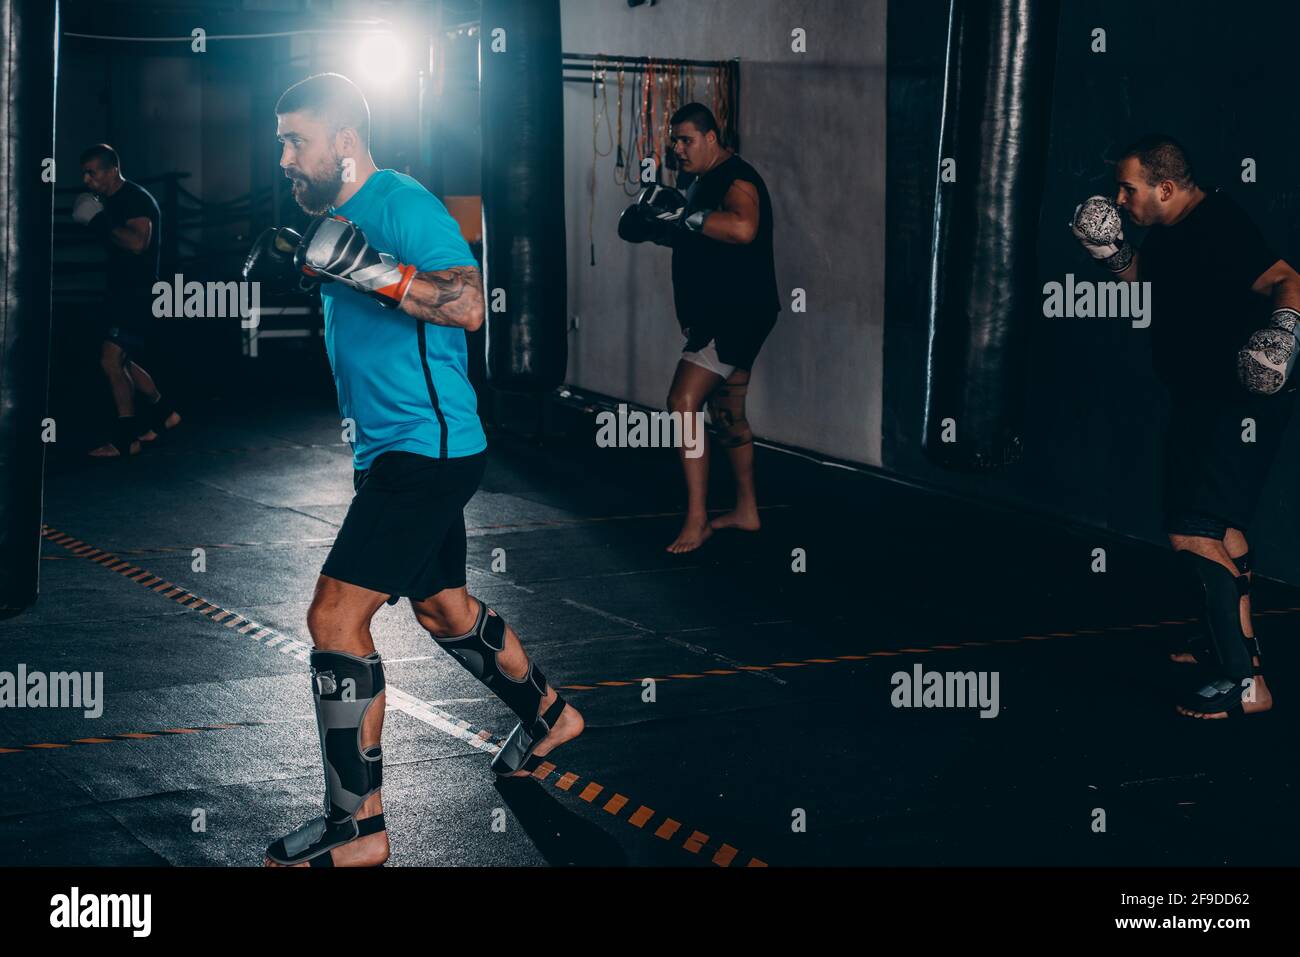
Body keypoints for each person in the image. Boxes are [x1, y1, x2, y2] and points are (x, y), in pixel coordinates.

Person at [249, 73, 583, 867]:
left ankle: (358, 827)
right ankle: (548, 714)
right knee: (443, 608)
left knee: (335, 619)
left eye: (297, 142)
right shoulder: (338, 217)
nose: (286, 159)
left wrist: (376, 272)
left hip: (424, 450)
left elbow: (469, 305)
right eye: (281, 144)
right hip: (397, 449)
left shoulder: (401, 203)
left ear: (345, 141)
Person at [1072, 134, 1300, 718]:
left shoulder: (1219, 224)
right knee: (1223, 532)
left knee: (1192, 531)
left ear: (1165, 188)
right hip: (1199, 397)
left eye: (1129, 189)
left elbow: (1285, 277)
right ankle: (1230, 646)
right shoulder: (1170, 232)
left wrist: (1284, 334)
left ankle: (1244, 684)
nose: (1119, 200)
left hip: (1236, 400)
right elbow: (1151, 282)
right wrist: (1113, 255)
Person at [618, 103, 781, 553]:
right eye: (674, 140)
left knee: (682, 402)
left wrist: (684, 216)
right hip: (727, 314)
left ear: (712, 138)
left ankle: (696, 520)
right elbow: (692, 237)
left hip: (733, 315)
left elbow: (744, 228)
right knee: (728, 414)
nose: (678, 148)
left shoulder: (737, 179)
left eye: (686, 140)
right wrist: (653, 227)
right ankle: (747, 511)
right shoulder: (694, 183)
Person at [74, 144, 180, 457]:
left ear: (111, 170)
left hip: (136, 293)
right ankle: (165, 414)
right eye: (84, 173)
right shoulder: (112, 201)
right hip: (122, 290)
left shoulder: (133, 198)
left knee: (110, 360)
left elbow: (137, 243)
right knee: (124, 361)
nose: (86, 180)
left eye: (91, 172)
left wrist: (98, 222)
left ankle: (125, 439)